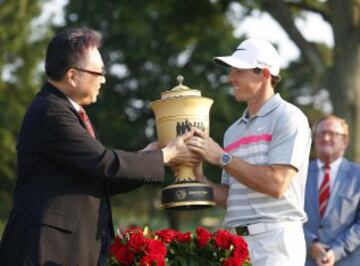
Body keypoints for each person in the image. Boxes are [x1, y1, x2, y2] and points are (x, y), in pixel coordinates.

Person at [0, 28, 199, 266]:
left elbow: (99, 177)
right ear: (72, 76)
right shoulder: (51, 111)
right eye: (99, 72)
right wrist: (164, 156)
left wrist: (149, 156)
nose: (104, 79)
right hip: (44, 250)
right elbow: (103, 162)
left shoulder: (69, 111)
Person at [187, 38, 312, 266]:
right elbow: (229, 197)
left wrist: (222, 157)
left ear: (264, 74)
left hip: (276, 243)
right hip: (237, 245)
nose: (230, 77)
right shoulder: (232, 131)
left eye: (238, 71)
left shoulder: (289, 118)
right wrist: (198, 176)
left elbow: (277, 184)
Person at [304, 115, 360, 266]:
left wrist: (336, 251)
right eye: (320, 133)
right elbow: (289, 215)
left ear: (345, 141)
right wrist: (311, 244)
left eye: (332, 133)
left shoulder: (358, 175)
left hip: (347, 260)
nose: (325, 137)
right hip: (305, 259)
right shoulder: (298, 174)